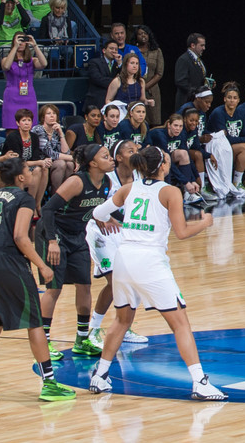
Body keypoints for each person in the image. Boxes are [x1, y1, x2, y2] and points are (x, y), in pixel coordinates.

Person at [87, 145, 227, 400]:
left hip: (124, 259)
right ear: (162, 166)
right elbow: (182, 232)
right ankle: (200, 382)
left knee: (121, 320)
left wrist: (116, 221)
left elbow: (98, 213)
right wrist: (205, 223)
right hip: (150, 261)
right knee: (180, 323)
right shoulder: (170, 191)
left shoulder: (129, 188)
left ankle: (100, 375)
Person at [0, 157, 76, 403]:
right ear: (20, 178)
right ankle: (49, 384)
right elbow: (20, 236)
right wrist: (42, 265)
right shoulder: (24, 198)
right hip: (8, 261)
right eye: (29, 169)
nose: (32, 172)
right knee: (34, 322)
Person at [38, 144, 115, 362]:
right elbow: (48, 209)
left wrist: (102, 218)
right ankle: (44, 341)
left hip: (77, 235)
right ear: (92, 163)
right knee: (54, 288)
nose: (111, 159)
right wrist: (52, 241)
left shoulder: (106, 182)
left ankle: (82, 339)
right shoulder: (77, 181)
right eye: (106, 156)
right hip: (54, 234)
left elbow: (90, 207)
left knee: (85, 284)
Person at [84, 140, 150, 351]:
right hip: (101, 230)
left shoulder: (140, 177)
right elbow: (94, 201)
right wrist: (105, 216)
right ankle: (92, 330)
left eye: (137, 150)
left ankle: (124, 327)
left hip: (124, 231)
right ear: (119, 157)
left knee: (133, 281)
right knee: (114, 281)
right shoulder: (107, 178)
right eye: (131, 151)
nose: (136, 153)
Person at [1, 108, 51, 208]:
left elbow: (35, 156)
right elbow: (18, 161)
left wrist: (43, 162)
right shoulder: (13, 137)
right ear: (18, 123)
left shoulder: (34, 137)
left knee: (43, 169)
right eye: (23, 120)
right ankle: (30, 204)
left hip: (29, 164)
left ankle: (38, 204)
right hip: (14, 166)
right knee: (37, 169)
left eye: (29, 120)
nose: (27, 123)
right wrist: (39, 162)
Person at [0, 33, 46, 129]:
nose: (21, 43)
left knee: (30, 128)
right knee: (11, 128)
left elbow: (44, 64)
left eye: (23, 40)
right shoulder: (6, 59)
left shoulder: (32, 60)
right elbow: (6, 66)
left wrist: (34, 45)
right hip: (12, 97)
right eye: (18, 40)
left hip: (28, 96)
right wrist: (15, 47)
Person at [33, 104, 74, 193]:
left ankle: (66, 195)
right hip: (40, 161)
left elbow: (66, 152)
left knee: (70, 165)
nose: (52, 116)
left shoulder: (56, 131)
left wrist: (61, 134)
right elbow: (51, 153)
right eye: (48, 113)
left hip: (52, 161)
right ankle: (56, 196)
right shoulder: (38, 130)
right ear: (43, 117)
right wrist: (74, 158)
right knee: (61, 164)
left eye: (54, 113)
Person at [135, 25, 164, 125]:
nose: (143, 35)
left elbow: (159, 73)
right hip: (136, 88)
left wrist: (146, 87)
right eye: (140, 34)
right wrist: (141, 88)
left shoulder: (156, 51)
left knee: (154, 119)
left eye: (145, 33)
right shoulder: (133, 50)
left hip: (152, 89)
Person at [174, 32, 209, 110]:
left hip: (197, 103)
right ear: (193, 45)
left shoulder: (199, 61)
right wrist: (197, 92)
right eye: (202, 45)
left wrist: (207, 84)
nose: (204, 48)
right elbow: (180, 81)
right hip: (186, 102)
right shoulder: (183, 59)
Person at [84, 40, 120, 110]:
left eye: (116, 49)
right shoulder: (94, 62)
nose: (114, 51)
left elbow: (123, 79)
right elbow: (98, 79)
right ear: (104, 50)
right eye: (111, 48)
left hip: (113, 101)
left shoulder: (118, 65)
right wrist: (116, 82)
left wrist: (120, 64)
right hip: (97, 101)